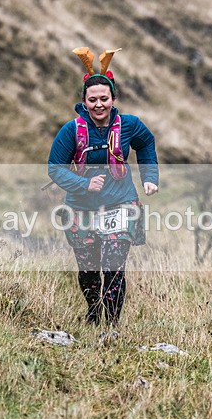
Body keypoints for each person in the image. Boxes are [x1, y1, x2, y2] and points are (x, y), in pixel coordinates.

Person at [48, 47, 159, 333]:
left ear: (113, 99)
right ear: (84, 101)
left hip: (121, 203)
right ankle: (94, 311)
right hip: (81, 208)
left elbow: (146, 143)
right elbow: (55, 168)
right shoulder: (71, 131)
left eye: (104, 99)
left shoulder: (130, 125)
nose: (99, 105)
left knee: (112, 264)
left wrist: (149, 176)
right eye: (93, 99)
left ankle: (111, 325)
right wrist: (84, 183)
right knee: (88, 271)